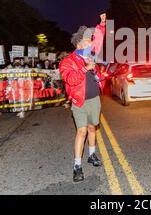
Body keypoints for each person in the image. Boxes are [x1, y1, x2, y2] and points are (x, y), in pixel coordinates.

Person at [59, 13, 106, 183]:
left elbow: (99, 40)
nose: (91, 43)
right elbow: (70, 80)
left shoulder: (91, 55)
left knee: (93, 128)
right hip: (79, 102)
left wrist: (101, 25)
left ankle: (92, 155)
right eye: (88, 41)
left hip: (95, 100)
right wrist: (85, 69)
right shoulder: (67, 61)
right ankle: (77, 166)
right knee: (82, 131)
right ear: (79, 43)